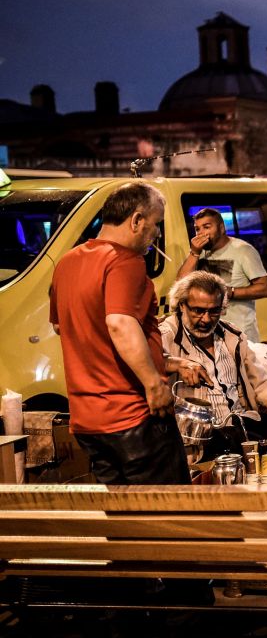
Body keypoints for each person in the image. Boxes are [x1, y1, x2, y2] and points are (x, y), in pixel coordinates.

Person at [48, 182, 190, 484]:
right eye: (156, 224)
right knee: (170, 517)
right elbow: (119, 323)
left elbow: (63, 326)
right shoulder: (125, 261)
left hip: (88, 422)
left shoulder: (67, 263)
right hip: (133, 417)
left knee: (121, 520)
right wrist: (154, 385)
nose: (158, 235)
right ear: (136, 220)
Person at [160, 271, 267, 458]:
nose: (206, 319)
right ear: (182, 305)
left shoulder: (232, 335)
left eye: (214, 311)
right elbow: (146, 360)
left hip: (239, 420)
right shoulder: (167, 333)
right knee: (235, 447)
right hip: (202, 432)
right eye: (198, 311)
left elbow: (259, 378)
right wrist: (177, 364)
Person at [176, 207, 267, 341]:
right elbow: (181, 283)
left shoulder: (243, 251)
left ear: (221, 228)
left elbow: (265, 288)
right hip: (210, 333)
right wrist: (194, 253)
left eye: (207, 227)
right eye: (198, 229)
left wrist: (230, 292)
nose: (201, 233)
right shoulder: (199, 252)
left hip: (239, 333)